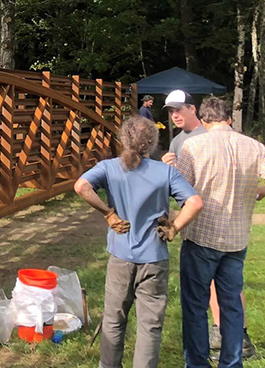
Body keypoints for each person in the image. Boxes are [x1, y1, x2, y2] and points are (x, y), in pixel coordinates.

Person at [74, 116, 203, 368]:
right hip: (154, 259)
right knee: (150, 326)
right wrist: (175, 227)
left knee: (113, 320)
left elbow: (81, 186)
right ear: (153, 143)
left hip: (121, 257)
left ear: (123, 139)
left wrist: (108, 213)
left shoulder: (110, 167)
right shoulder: (165, 172)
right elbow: (195, 203)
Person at [172, 97, 265, 368]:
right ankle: (232, 363)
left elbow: (181, 191)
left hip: (201, 236)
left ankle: (198, 363)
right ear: (230, 119)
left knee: (195, 306)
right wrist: (261, 190)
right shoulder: (254, 147)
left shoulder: (193, 145)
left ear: (202, 121)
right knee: (232, 307)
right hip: (236, 241)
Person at [161, 90, 206, 167]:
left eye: (178, 110)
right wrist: (166, 166)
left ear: (192, 109)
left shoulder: (208, 133)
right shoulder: (175, 141)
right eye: (171, 111)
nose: (174, 115)